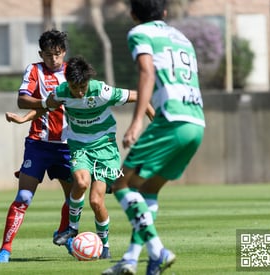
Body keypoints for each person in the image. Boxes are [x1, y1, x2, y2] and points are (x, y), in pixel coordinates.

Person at [102, 0, 205, 274]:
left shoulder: (140, 33)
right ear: (165, 13)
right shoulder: (182, 38)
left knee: (120, 183)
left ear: (134, 15)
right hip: (196, 121)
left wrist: (136, 123)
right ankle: (132, 259)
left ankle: (158, 250)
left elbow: (147, 73)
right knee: (147, 189)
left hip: (170, 120)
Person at [45, 56, 154, 260]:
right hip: (79, 146)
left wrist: (153, 120)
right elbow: (46, 104)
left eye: (83, 86)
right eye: (75, 87)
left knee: (96, 201)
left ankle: (105, 246)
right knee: (80, 181)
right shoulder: (60, 92)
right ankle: (72, 228)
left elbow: (139, 95)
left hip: (105, 148)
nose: (79, 91)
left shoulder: (102, 91)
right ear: (67, 82)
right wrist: (24, 116)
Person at [0, 29, 72, 263]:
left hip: (68, 146)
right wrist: (45, 102)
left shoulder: (73, 72)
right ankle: (5, 249)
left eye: (57, 54)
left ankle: (64, 233)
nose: (53, 59)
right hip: (38, 144)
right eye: (48, 55)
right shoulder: (34, 70)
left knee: (73, 199)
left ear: (64, 53)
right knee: (24, 197)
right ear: (41, 54)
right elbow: (22, 99)